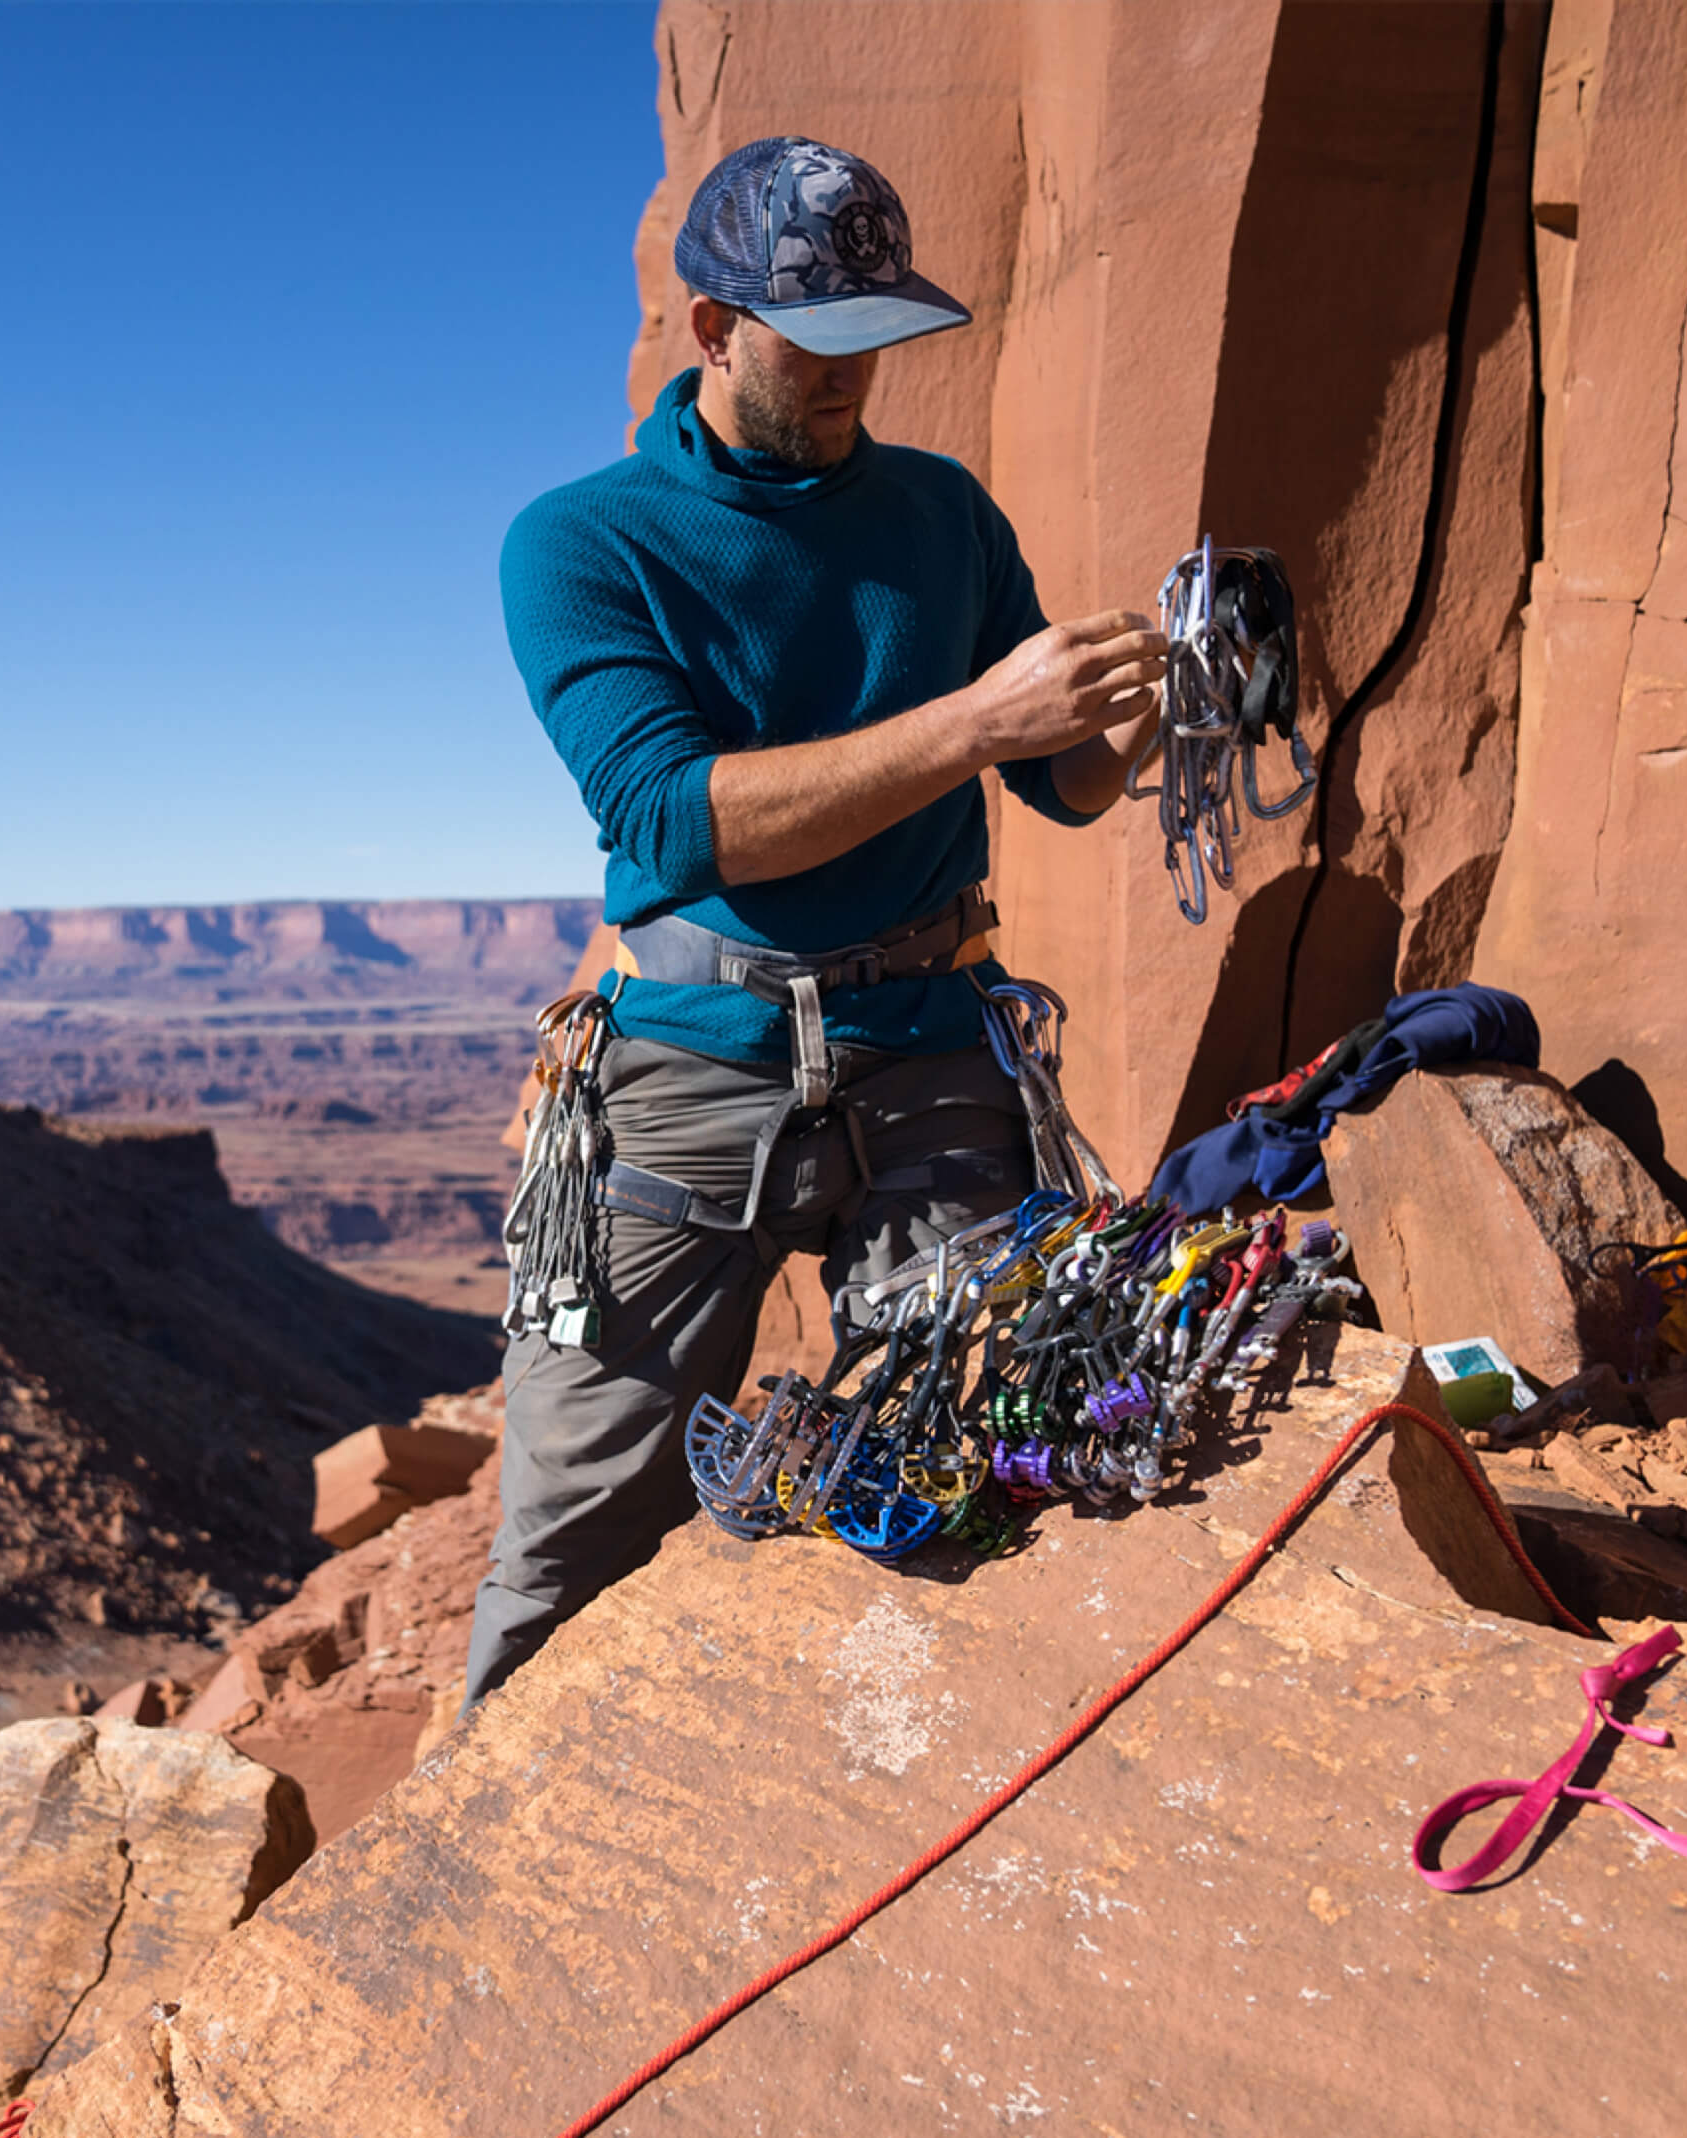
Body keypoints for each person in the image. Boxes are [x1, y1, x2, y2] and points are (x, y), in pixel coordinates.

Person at [464, 136, 1165, 1706]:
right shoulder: (580, 541)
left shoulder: (943, 515)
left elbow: (1063, 784)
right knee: (575, 1529)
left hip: (931, 1044)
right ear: (713, 329)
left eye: (878, 335)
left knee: (977, 1460)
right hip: (691, 1065)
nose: (856, 372)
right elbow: (674, 816)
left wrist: (1149, 699)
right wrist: (976, 719)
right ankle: (468, 1830)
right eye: (819, 338)